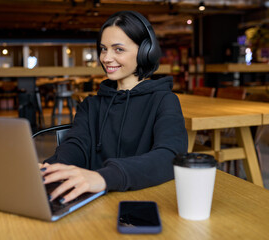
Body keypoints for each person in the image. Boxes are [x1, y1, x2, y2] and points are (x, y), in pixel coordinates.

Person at [40, 11, 188, 204]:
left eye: (118, 49)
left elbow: (170, 156)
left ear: (145, 51)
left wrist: (105, 177)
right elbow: (75, 146)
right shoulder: (91, 105)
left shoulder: (164, 101)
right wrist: (49, 170)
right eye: (103, 49)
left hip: (144, 203)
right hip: (95, 203)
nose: (106, 58)